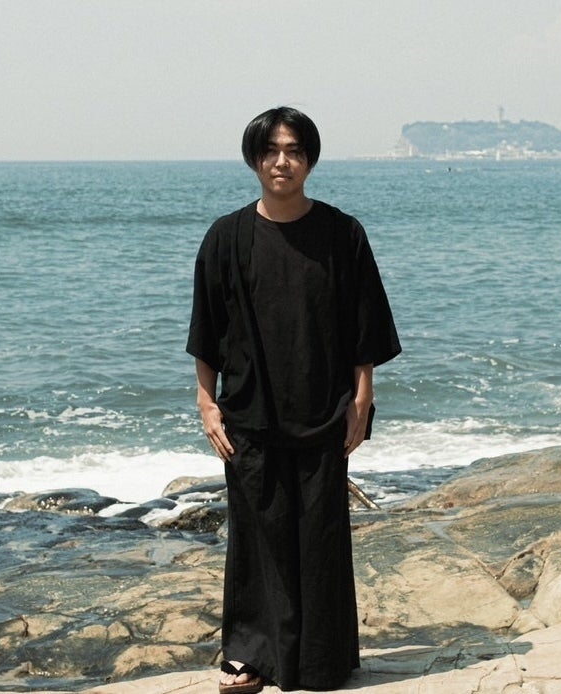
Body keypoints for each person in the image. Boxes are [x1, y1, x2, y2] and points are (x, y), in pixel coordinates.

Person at [186, 107, 401, 693]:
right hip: (249, 413)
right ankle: (251, 656)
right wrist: (206, 403)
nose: (282, 162)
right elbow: (207, 329)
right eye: (271, 151)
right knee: (257, 537)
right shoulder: (226, 237)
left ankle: (322, 661)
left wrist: (362, 399)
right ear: (254, 158)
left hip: (324, 408)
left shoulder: (342, 234)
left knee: (321, 535)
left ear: (310, 160)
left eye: (295, 151)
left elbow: (364, 326)